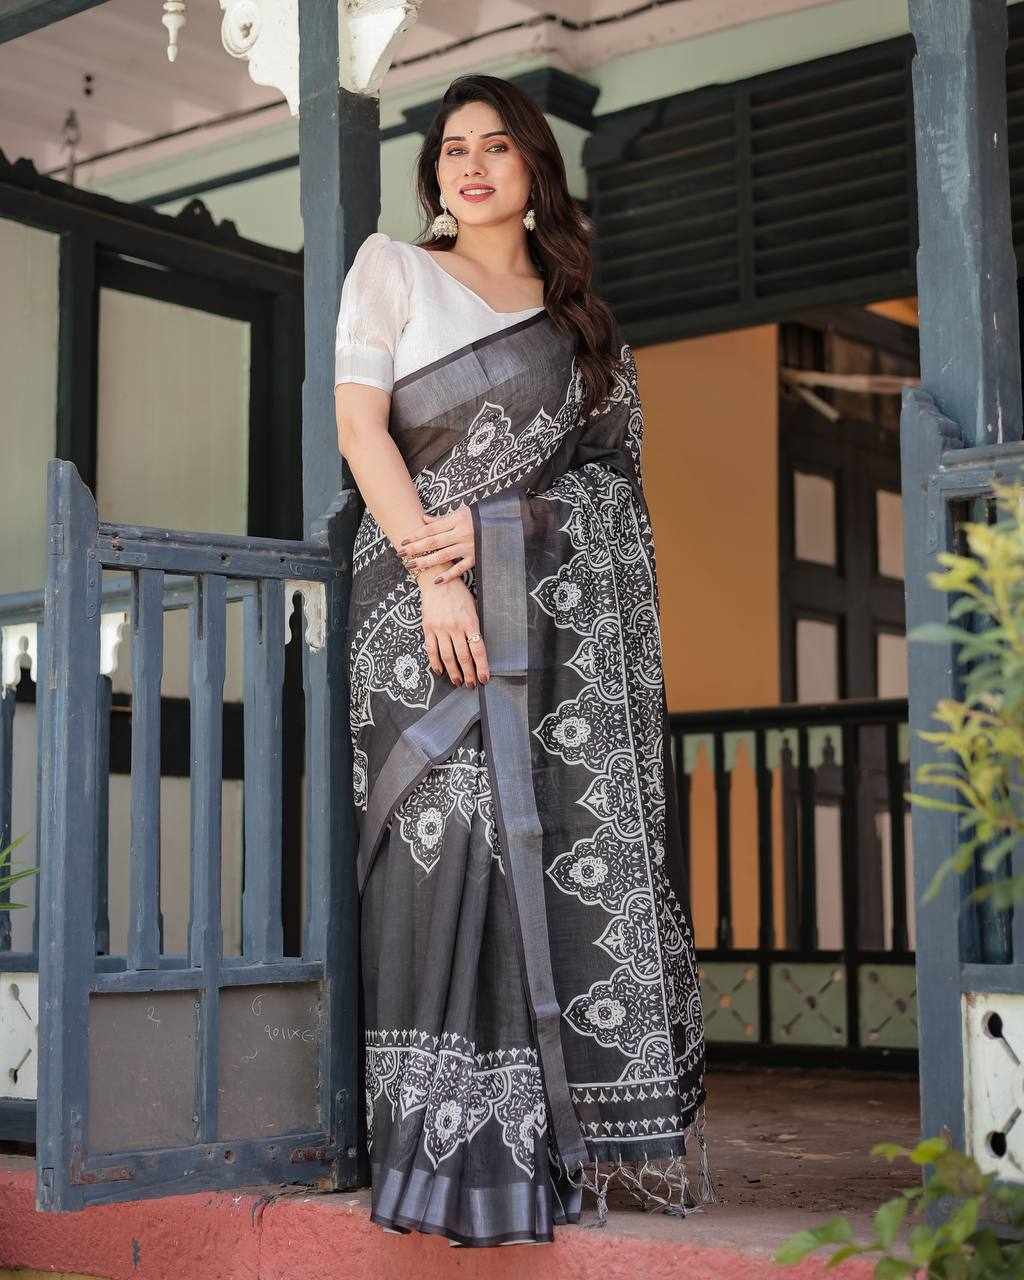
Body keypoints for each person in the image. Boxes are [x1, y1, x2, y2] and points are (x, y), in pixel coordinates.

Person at [333, 72, 712, 1248]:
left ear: (534, 168)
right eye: (453, 149)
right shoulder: (390, 268)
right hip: (415, 611)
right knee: (445, 849)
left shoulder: (576, 320)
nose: (471, 165)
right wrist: (436, 568)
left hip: (539, 618)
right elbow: (360, 429)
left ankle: (548, 1147)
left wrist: (512, 529)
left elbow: (609, 488)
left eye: (496, 146)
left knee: (535, 848)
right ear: (432, 175)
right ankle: (438, 1146)